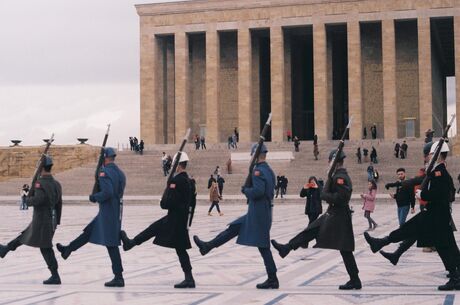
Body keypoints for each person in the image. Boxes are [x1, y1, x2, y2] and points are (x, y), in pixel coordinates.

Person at [364, 141, 460, 291]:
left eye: (430, 153)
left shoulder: (439, 172)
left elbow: (440, 194)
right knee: (444, 245)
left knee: (425, 236)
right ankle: (455, 276)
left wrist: (423, 194)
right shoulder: (435, 171)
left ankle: (382, 242)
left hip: (436, 214)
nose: (427, 156)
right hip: (436, 214)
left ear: (436, 155)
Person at [271, 150, 361, 290]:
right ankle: (287, 248)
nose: (328, 163)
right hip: (334, 213)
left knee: (345, 248)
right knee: (313, 230)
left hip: (338, 215)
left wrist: (325, 195)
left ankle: (355, 279)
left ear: (335, 162)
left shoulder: (340, 177)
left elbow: (342, 198)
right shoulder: (336, 175)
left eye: (330, 160)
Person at [194, 143, 279, 289]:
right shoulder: (269, 170)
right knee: (233, 228)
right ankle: (208, 246)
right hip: (260, 211)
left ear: (256, 155)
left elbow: (258, 191)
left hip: (258, 213)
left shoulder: (258, 171)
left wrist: (246, 190)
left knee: (263, 245)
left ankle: (273, 278)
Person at [121, 152, 196, 288]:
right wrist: (188, 221)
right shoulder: (190, 181)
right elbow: (192, 203)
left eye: (174, 165)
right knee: (172, 242)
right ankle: (131, 243)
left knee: (168, 240)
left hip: (174, 220)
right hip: (181, 219)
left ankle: (131, 243)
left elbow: (166, 204)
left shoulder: (177, 181)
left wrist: (163, 199)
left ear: (178, 165)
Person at [57, 148, 126, 287]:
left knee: (111, 243)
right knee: (89, 232)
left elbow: (108, 192)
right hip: (115, 210)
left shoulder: (104, 172)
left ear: (105, 158)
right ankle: (68, 249)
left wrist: (95, 197)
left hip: (107, 212)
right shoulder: (121, 173)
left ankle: (118, 277)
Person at [0, 156, 62, 285]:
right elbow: (59, 204)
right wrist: (57, 221)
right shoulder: (56, 184)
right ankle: (6, 249)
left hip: (42, 220)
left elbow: (37, 200)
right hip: (50, 219)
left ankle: (55, 275)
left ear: (41, 168)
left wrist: (26, 200)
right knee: (25, 235)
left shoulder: (40, 183)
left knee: (45, 247)